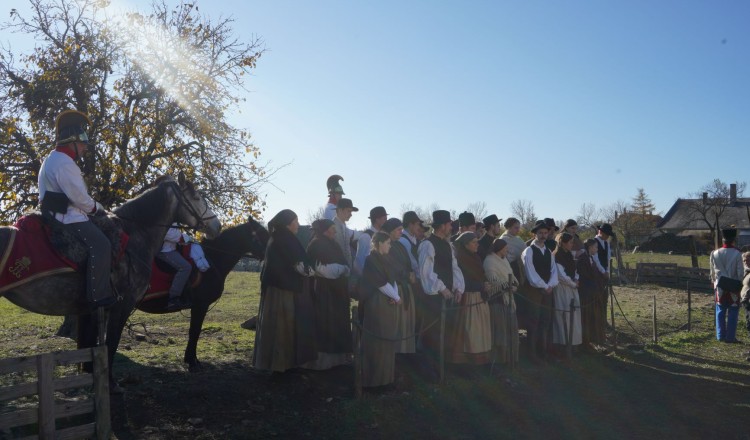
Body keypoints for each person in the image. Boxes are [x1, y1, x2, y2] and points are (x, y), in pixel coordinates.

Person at [37, 109, 116, 309]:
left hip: (55, 214)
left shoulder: (50, 159)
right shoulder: (65, 163)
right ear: (71, 140)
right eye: (82, 143)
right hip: (69, 218)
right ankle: (98, 296)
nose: (84, 148)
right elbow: (80, 199)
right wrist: (98, 208)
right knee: (102, 245)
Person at [253, 209, 317, 373]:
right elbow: (300, 265)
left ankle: (277, 364)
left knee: (278, 326)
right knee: (282, 326)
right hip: (282, 290)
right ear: (288, 223)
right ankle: (280, 364)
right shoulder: (285, 238)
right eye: (296, 221)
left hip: (276, 287)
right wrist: (314, 272)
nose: (298, 224)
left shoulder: (277, 237)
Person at [418, 210, 465, 375]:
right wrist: (442, 288)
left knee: (446, 334)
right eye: (449, 224)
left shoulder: (447, 244)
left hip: (448, 297)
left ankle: (444, 370)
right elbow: (426, 273)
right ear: (442, 226)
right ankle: (430, 371)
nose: (451, 226)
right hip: (433, 299)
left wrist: (458, 288)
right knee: (432, 335)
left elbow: (454, 268)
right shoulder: (427, 244)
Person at [304, 219, 352, 370]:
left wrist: (343, 269)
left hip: (337, 293)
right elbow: (322, 270)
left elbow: (346, 267)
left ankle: (338, 358)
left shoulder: (333, 244)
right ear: (325, 230)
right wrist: (341, 269)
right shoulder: (316, 244)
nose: (335, 231)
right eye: (332, 228)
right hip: (323, 292)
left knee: (337, 322)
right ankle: (323, 361)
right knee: (326, 321)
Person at [361, 231, 401, 388]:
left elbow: (392, 280)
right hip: (377, 303)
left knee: (387, 340)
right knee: (378, 340)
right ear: (379, 244)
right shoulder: (371, 260)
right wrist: (396, 297)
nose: (390, 246)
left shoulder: (387, 259)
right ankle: (374, 380)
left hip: (388, 302)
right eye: (388, 243)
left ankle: (387, 378)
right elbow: (380, 283)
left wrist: (395, 295)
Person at [451, 232, 492, 364]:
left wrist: (485, 283)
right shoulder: (460, 258)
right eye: (474, 242)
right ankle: (466, 361)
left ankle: (479, 360)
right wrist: (480, 285)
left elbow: (481, 273)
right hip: (469, 297)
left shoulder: (475, 257)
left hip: (479, 297)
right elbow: (461, 281)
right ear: (466, 244)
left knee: (479, 331)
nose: (477, 244)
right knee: (471, 331)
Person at [521, 220, 558, 363]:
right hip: (534, 291)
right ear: (534, 234)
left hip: (548, 290)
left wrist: (550, 285)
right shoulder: (528, 251)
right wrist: (543, 286)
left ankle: (544, 352)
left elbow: (553, 270)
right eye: (540, 233)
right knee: (533, 322)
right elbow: (531, 273)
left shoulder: (548, 251)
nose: (543, 235)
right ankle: (532, 354)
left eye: (545, 233)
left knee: (546, 321)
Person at [483, 238, 519, 366]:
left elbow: (512, 277)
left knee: (510, 330)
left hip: (509, 299)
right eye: (505, 248)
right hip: (497, 300)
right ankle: (498, 360)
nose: (507, 250)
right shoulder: (489, 261)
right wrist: (507, 286)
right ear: (499, 249)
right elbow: (493, 280)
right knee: (500, 331)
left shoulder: (505, 261)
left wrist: (513, 285)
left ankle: (510, 358)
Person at [383, 218, 416, 355]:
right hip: (395, 289)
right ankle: (395, 354)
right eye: (398, 230)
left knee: (406, 323)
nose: (401, 232)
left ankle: (404, 353)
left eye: (401, 229)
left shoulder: (400, 245)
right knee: (397, 323)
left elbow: (407, 263)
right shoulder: (385, 244)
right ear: (390, 230)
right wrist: (406, 275)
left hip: (405, 287)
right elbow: (389, 265)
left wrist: (411, 274)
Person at [710, 226, 744, 343]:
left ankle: (720, 336)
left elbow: (712, 273)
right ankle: (730, 337)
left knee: (720, 311)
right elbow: (740, 273)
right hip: (734, 287)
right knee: (733, 312)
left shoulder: (714, 253)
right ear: (733, 240)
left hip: (720, 287)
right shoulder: (737, 253)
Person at [551, 233, 582, 355]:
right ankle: (563, 343)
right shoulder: (556, 256)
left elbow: (574, 269)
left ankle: (574, 342)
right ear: (563, 243)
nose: (572, 245)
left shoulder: (569, 254)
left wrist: (577, 279)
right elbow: (561, 275)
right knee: (564, 314)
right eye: (570, 242)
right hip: (563, 289)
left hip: (572, 287)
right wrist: (573, 284)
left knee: (574, 316)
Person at [576, 238, 606, 348]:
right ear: (590, 247)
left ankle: (591, 340)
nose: (597, 249)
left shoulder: (590, 258)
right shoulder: (583, 259)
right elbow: (584, 277)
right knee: (586, 318)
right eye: (595, 247)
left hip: (592, 293)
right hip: (586, 294)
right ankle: (585, 342)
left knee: (591, 317)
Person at [157, 225, 193, 311]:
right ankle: (173, 299)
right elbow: (170, 234)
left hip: (171, 249)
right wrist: (185, 238)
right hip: (164, 251)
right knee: (185, 267)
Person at [354, 206, 388, 276]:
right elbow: (359, 262)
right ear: (377, 220)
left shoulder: (384, 235)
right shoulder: (366, 237)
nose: (386, 221)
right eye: (384, 219)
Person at [500, 217, 527, 286]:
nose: (518, 230)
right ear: (509, 227)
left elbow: (525, 250)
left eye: (519, 228)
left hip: (522, 269)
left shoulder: (518, 239)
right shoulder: (503, 240)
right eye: (516, 228)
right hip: (511, 271)